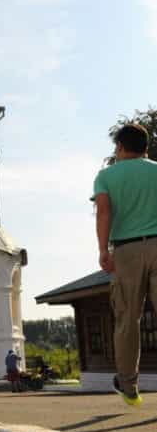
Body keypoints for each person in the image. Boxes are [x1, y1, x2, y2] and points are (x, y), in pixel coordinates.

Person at [93, 123, 157, 407]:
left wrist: (102, 249)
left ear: (119, 147)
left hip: (126, 250)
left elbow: (104, 210)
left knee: (127, 319)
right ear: (145, 147)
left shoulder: (106, 176)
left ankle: (129, 387)